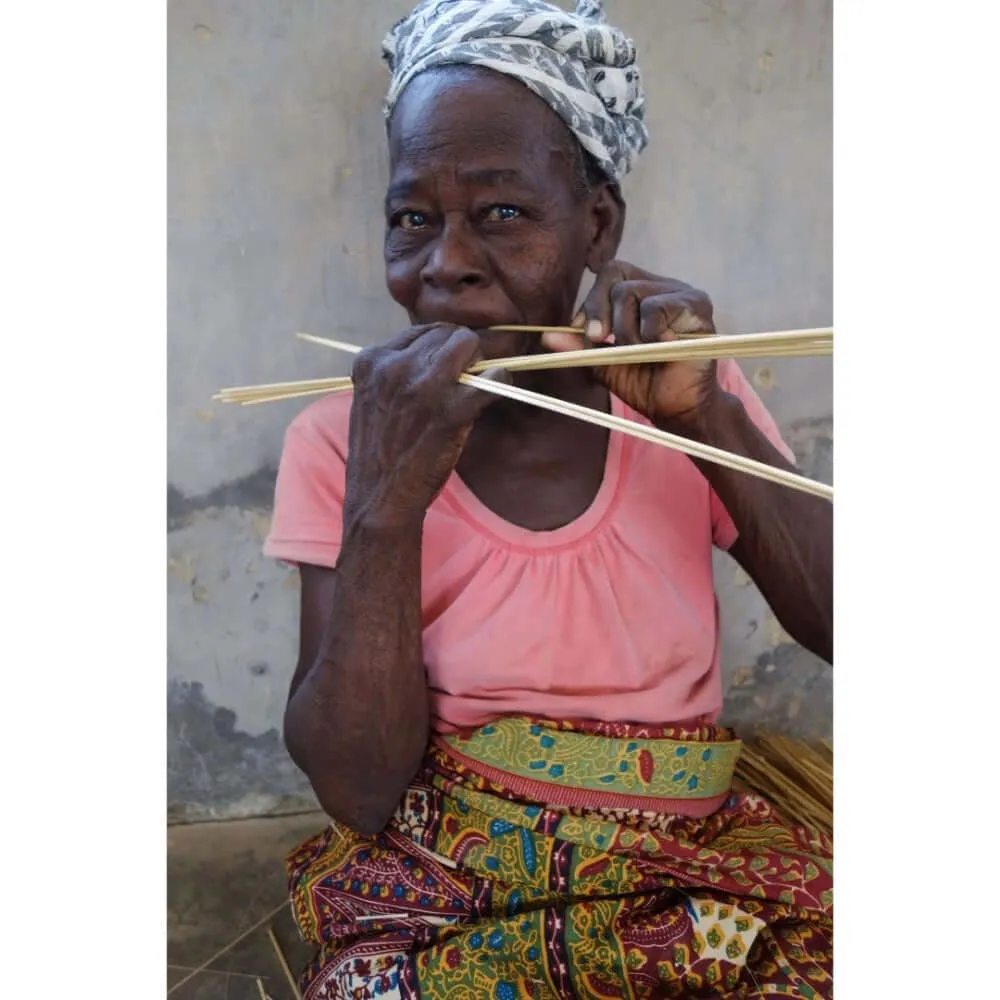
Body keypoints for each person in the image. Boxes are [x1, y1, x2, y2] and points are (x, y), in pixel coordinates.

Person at [264, 1, 833, 997]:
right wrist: (382, 504)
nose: (444, 261)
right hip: (445, 874)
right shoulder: (337, 439)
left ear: (597, 225)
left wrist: (707, 421)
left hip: (684, 866)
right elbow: (355, 788)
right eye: (412, 219)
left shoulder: (687, 396)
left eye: (501, 214)